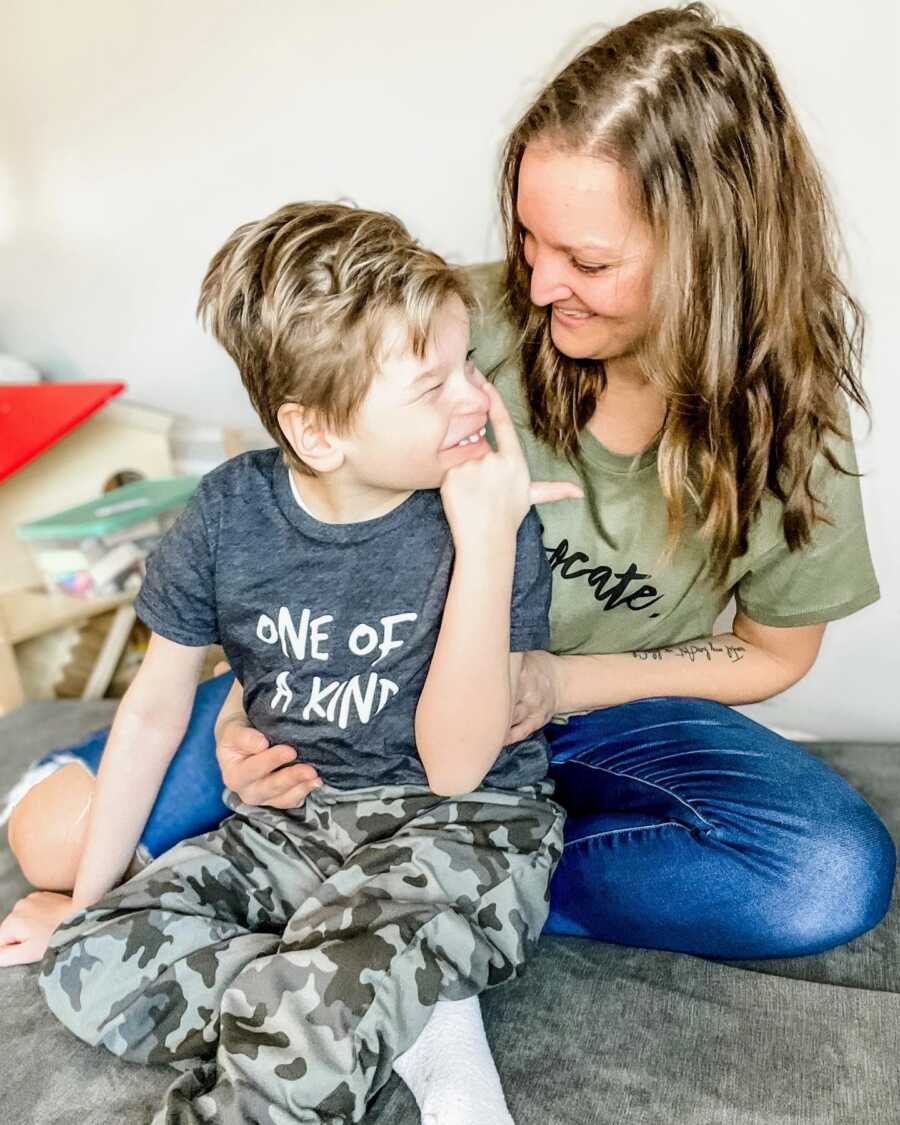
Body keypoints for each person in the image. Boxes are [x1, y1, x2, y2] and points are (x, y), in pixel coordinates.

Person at [2, 0, 894, 1007]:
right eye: (528, 236)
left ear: (713, 252)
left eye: (590, 262)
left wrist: (552, 684)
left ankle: (424, 891)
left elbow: (775, 652)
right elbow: (286, 524)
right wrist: (247, 707)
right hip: (354, 679)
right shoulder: (443, 335)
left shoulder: (787, 427)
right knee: (53, 839)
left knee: (827, 875)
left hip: (589, 719)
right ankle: (373, 871)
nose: (543, 282)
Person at [23, 201, 581, 1125]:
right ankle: (401, 1009)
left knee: (313, 1008)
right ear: (317, 431)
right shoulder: (227, 515)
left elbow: (456, 765)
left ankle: (356, 999)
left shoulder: (488, 511)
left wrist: (487, 543)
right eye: (431, 383)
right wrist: (88, 905)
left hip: (462, 833)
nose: (476, 400)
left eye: (468, 368)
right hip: (293, 828)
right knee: (86, 958)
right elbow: (157, 709)